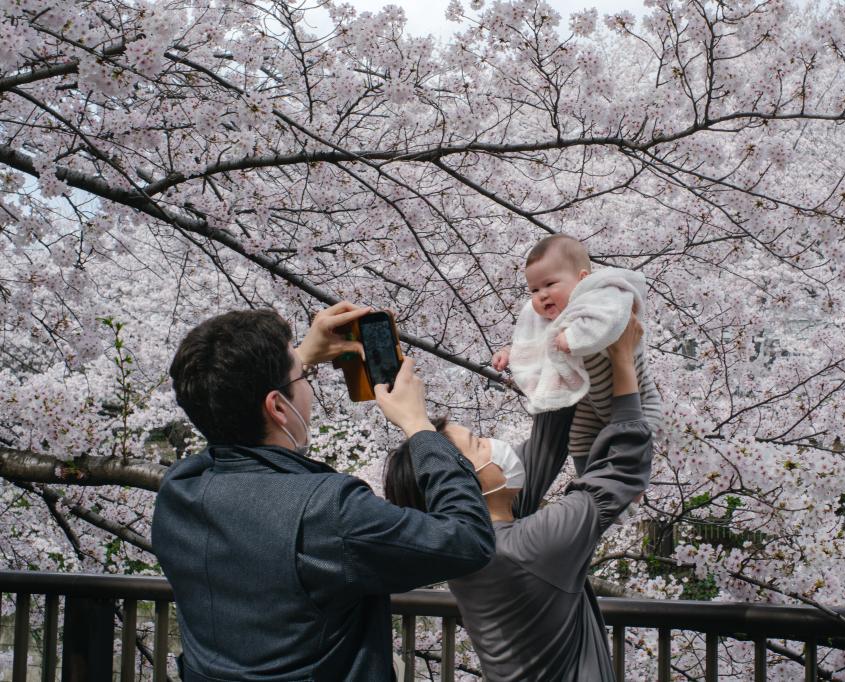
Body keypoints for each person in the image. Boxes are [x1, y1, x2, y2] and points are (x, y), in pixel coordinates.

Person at [151, 302, 495, 681]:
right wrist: (419, 425)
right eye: (304, 380)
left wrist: (296, 360)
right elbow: (468, 539)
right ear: (278, 408)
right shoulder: (328, 510)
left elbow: (233, 400)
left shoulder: (179, 490)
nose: (309, 389)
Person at [386, 314, 653, 680]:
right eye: (479, 445)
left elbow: (549, 438)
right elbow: (622, 466)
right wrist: (623, 360)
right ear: (465, 485)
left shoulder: (469, 546)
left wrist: (542, 354)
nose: (497, 445)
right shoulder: (525, 548)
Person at [492, 234, 662, 475]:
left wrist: (574, 338)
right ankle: (588, 479)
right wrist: (510, 352)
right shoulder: (546, 319)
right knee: (579, 438)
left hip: (636, 394)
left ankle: (636, 483)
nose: (541, 295)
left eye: (550, 284)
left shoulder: (599, 297)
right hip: (590, 400)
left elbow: (611, 321)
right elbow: (535, 343)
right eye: (534, 289)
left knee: (640, 433)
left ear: (582, 280)